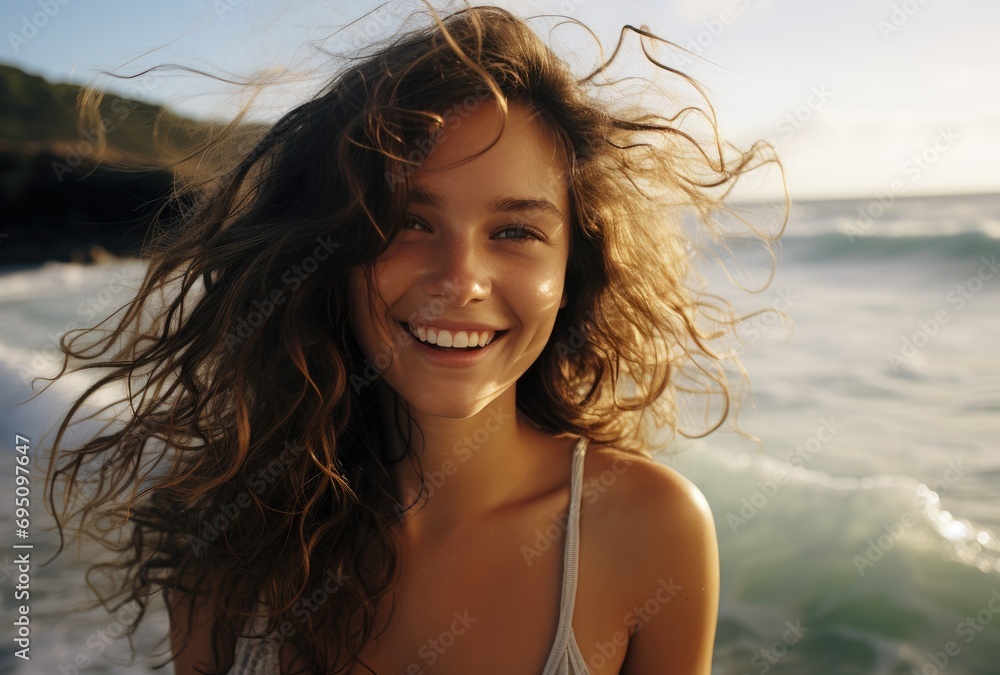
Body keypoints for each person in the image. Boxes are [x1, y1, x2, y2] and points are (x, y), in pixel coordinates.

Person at [40, 3, 784, 674]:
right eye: (406, 220)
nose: (461, 278)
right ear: (330, 246)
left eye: (516, 231)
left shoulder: (651, 530)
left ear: (574, 270)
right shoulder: (226, 535)